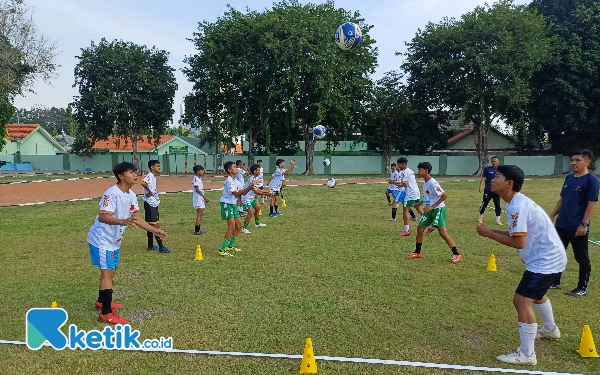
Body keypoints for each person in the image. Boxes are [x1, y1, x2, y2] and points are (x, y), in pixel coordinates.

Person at [476, 165, 566, 366]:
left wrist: (489, 234)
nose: (492, 178)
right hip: (549, 258)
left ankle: (526, 354)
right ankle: (550, 329)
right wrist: (491, 230)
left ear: (509, 183)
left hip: (546, 260)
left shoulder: (517, 205)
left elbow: (518, 242)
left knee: (522, 300)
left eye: (497, 176)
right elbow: (518, 235)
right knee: (537, 294)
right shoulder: (516, 202)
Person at [88, 162, 167, 324]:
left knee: (111, 271)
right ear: (121, 176)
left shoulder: (131, 195)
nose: (135, 175)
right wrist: (123, 221)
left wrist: (154, 230)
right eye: (131, 172)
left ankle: (103, 302)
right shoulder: (111, 193)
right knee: (107, 273)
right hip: (102, 239)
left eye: (135, 172)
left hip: (113, 240)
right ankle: (106, 313)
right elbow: (103, 217)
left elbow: (136, 218)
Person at [550, 149, 599, 296]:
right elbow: (562, 199)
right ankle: (555, 281)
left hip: (577, 227)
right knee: (557, 253)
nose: (573, 163)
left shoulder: (592, 181)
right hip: (562, 224)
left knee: (581, 258)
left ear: (587, 162)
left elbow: (592, 204)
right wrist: (552, 215)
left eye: (577, 160)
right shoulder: (569, 178)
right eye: (572, 160)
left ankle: (581, 288)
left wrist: (584, 224)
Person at [407, 162, 462, 264]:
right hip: (428, 210)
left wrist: (433, 206)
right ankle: (417, 252)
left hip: (437, 210)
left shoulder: (433, 183)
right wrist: (419, 204)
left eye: (420, 170)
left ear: (426, 171)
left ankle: (457, 254)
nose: (418, 172)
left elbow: (444, 195)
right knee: (420, 229)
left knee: (442, 232)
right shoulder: (426, 182)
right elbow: (428, 197)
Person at [218, 161, 259, 256]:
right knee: (231, 227)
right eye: (235, 167)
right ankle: (222, 250)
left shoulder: (236, 181)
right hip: (227, 204)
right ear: (229, 170)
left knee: (239, 226)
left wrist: (252, 187)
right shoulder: (229, 180)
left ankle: (230, 246)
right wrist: (250, 187)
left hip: (233, 204)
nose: (237, 169)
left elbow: (243, 192)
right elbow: (236, 193)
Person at [140, 160, 169, 253]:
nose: (159, 167)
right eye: (157, 166)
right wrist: (149, 191)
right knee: (155, 225)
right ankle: (161, 247)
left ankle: (151, 245)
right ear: (152, 167)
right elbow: (143, 182)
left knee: (151, 224)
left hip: (153, 203)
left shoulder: (153, 177)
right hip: (150, 203)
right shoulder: (149, 176)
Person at [241, 164, 273, 233]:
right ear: (254, 171)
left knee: (258, 208)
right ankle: (244, 228)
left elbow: (258, 189)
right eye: (258, 170)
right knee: (250, 213)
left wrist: (268, 192)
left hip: (251, 198)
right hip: (246, 198)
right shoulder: (252, 179)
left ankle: (257, 223)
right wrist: (268, 193)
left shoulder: (255, 178)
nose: (260, 172)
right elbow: (257, 192)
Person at [397, 157, 423, 236]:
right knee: (418, 208)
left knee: (405, 210)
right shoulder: (410, 171)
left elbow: (405, 183)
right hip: (416, 192)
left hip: (410, 193)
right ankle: (432, 224)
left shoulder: (405, 172)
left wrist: (396, 184)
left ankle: (406, 230)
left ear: (403, 164)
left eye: (399, 165)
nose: (398, 166)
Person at [479, 156, 503, 226]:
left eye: (496, 161)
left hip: (497, 190)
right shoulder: (487, 169)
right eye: (493, 161)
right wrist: (480, 186)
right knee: (484, 204)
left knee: (497, 205)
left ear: (498, 162)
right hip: (488, 190)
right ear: (491, 162)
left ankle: (498, 220)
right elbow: (483, 178)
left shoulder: (500, 170)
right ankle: (480, 217)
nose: (494, 163)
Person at [192, 165, 210, 235]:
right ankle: (197, 230)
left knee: (201, 213)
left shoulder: (199, 179)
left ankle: (198, 229)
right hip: (198, 198)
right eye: (201, 170)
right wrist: (204, 197)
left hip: (200, 198)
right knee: (200, 213)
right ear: (197, 171)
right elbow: (197, 190)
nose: (203, 171)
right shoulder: (195, 178)